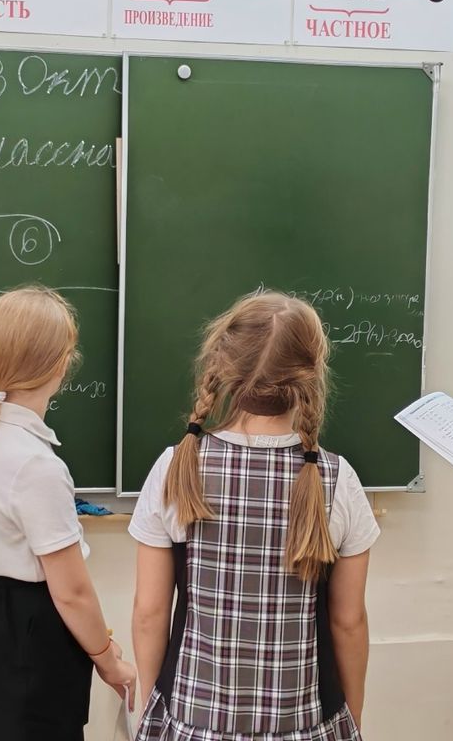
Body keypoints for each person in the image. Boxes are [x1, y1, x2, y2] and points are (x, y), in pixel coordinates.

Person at [129, 291, 380, 741]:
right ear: (311, 372)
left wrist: (151, 706)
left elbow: (150, 613)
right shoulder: (337, 478)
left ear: (223, 364)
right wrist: (353, 718)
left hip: (193, 721)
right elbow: (348, 622)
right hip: (302, 725)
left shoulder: (177, 467)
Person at [0, 285, 136, 741]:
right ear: (60, 365)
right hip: (33, 648)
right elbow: (72, 592)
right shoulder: (36, 465)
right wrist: (108, 660)